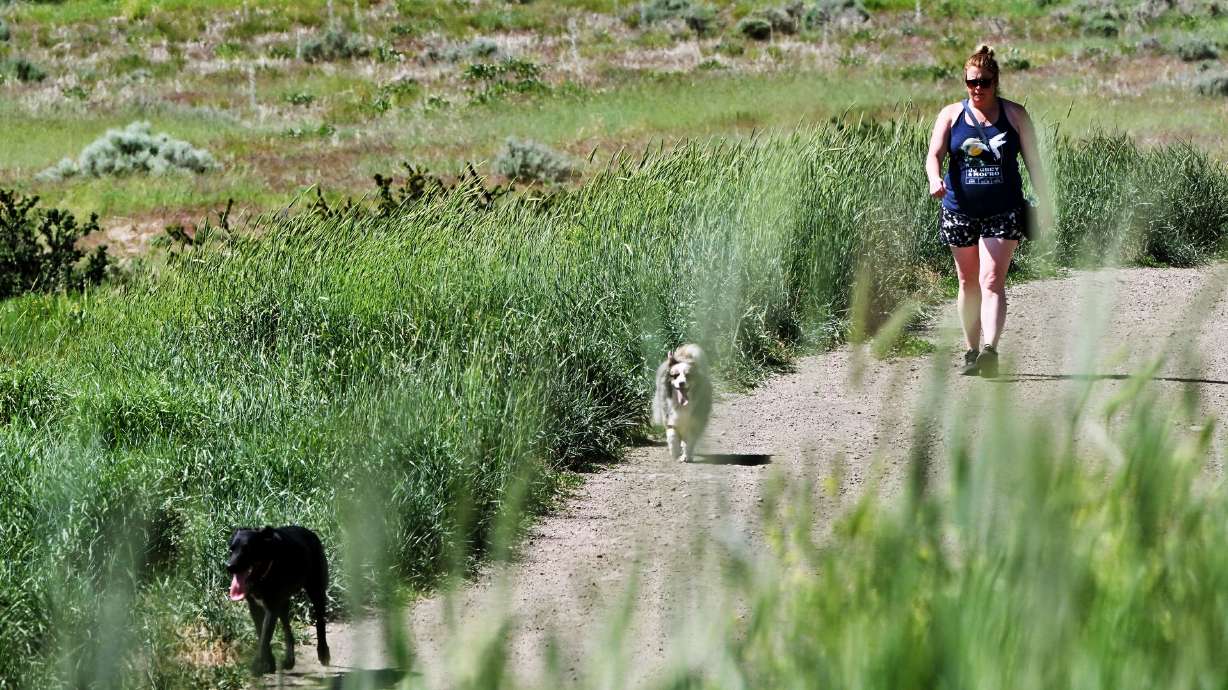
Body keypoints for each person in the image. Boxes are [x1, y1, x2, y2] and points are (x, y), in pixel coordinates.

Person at [925, 44, 1048, 379]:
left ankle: (991, 349)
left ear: (997, 82)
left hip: (1003, 210)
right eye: (971, 82)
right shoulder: (951, 115)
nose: (977, 89)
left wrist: (1046, 201)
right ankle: (971, 351)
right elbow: (933, 155)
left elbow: (1034, 163)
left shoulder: (1015, 115)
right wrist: (935, 179)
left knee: (991, 279)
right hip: (959, 210)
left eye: (984, 82)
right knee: (968, 282)